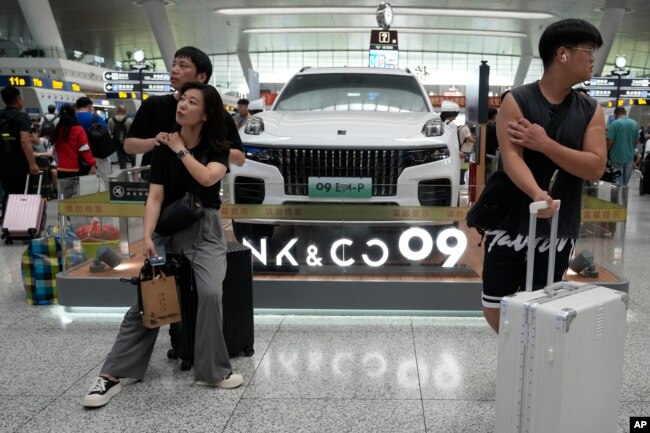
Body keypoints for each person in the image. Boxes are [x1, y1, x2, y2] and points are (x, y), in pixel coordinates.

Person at [82, 82, 244, 409]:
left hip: (206, 231)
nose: (182, 104)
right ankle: (112, 375)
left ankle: (213, 370)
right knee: (149, 300)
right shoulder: (160, 147)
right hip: (167, 231)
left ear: (206, 113)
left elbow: (208, 178)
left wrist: (180, 150)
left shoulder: (217, 147)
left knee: (211, 293)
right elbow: (154, 196)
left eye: (191, 101)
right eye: (182, 99)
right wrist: (146, 236)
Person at [482, 19, 607, 333]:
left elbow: (594, 166)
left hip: (557, 228)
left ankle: (535, 368)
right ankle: (516, 356)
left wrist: (546, 144)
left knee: (543, 303)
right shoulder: (517, 100)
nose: (593, 59)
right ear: (562, 54)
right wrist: (537, 193)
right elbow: (511, 157)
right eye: (588, 51)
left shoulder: (591, 110)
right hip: (509, 220)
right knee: (495, 304)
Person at [123, 46, 245, 168]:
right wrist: (155, 141)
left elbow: (240, 159)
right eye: (174, 64)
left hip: (198, 182)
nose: (174, 70)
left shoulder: (217, 114)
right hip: (155, 180)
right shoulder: (153, 104)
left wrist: (206, 147)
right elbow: (129, 146)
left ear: (201, 77)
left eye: (183, 66)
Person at [0, 86, 39, 217]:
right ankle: (21, 224)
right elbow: (24, 140)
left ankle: (7, 226)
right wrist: (32, 163)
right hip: (19, 163)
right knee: (23, 193)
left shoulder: (1, 115)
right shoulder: (21, 116)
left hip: (3, 162)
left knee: (8, 193)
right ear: (18, 99)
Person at [53, 104, 97, 180]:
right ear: (73, 114)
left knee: (63, 191)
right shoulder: (78, 130)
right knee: (76, 191)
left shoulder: (57, 130)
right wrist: (92, 164)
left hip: (60, 168)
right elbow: (85, 149)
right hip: (76, 169)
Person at [75, 97, 112, 185]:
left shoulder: (71, 118)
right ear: (89, 106)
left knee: (76, 182)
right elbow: (107, 133)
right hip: (97, 154)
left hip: (75, 155)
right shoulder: (96, 118)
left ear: (77, 107)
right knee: (106, 179)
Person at [606, 106, 638, 186]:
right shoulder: (634, 123)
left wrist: (605, 153)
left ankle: (618, 197)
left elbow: (609, 142)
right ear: (625, 113)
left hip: (616, 157)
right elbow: (636, 141)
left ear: (615, 114)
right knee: (625, 183)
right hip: (629, 158)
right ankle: (624, 196)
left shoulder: (614, 124)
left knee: (617, 183)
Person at [107, 105, 135, 169]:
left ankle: (124, 175)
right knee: (133, 161)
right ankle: (135, 174)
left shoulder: (110, 120)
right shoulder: (129, 120)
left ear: (117, 111)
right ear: (125, 112)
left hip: (117, 144)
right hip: (129, 143)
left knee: (122, 162)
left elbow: (110, 132)